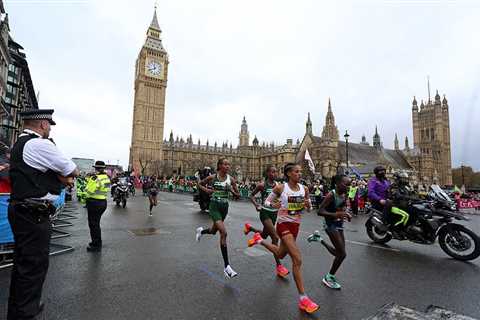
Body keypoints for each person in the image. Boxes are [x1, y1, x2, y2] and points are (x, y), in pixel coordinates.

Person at [7, 109, 78, 320]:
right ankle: (25, 313)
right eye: (49, 125)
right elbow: (72, 170)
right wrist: (61, 176)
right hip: (34, 214)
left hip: (21, 209)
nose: (49, 129)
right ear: (43, 125)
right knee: (33, 266)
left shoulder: (19, 144)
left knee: (23, 265)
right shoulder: (39, 143)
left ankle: (20, 309)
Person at [247, 163, 319, 314]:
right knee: (297, 259)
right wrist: (275, 204)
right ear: (289, 174)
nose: (300, 174)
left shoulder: (304, 189)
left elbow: (309, 208)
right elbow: (267, 202)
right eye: (296, 171)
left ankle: (259, 239)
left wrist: (307, 205)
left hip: (295, 226)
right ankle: (303, 299)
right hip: (283, 225)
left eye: (300, 172)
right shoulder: (281, 188)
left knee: (280, 254)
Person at [195, 158, 240, 279]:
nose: (227, 166)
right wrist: (207, 190)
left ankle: (201, 231)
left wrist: (234, 192)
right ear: (219, 166)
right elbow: (199, 184)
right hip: (214, 206)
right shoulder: (212, 178)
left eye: (228, 164)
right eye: (225, 164)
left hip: (224, 207)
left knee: (213, 231)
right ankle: (227, 267)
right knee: (223, 233)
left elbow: (237, 194)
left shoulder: (231, 179)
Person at [244, 165, 289, 278]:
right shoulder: (262, 185)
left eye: (276, 172)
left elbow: (283, 199)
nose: (274, 174)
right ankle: (279, 267)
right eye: (272, 172)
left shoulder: (279, 186)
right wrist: (256, 205)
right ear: (267, 173)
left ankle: (250, 228)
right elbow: (251, 195)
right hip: (265, 213)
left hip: (274, 214)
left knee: (264, 235)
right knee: (275, 238)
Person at [307, 174, 352, 290]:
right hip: (330, 225)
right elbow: (320, 211)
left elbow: (341, 208)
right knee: (342, 254)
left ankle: (319, 239)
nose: (348, 187)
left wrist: (346, 214)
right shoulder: (331, 195)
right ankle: (329, 277)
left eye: (349, 185)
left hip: (339, 224)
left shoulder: (344, 194)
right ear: (337, 184)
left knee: (340, 253)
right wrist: (335, 215)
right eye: (346, 184)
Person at [85, 161, 111, 252]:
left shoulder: (94, 178)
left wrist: (88, 184)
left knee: (93, 225)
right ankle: (96, 242)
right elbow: (106, 188)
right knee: (96, 224)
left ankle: (96, 245)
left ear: (96, 168)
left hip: (94, 203)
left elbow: (88, 191)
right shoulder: (106, 177)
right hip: (103, 202)